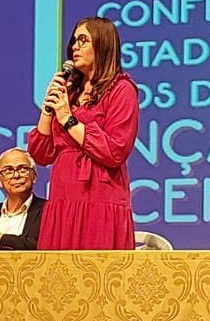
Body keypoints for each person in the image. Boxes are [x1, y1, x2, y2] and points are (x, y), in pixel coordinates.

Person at [28, 17, 140, 250]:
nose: (74, 47)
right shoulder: (69, 92)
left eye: (83, 40)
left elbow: (115, 151)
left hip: (100, 198)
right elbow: (40, 154)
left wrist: (68, 119)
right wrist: (48, 109)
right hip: (62, 198)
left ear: (102, 45)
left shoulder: (121, 89)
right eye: (73, 41)